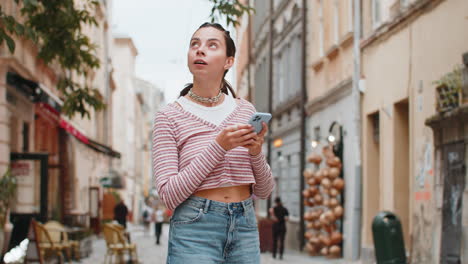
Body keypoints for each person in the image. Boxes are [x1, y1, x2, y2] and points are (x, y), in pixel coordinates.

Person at [152, 22, 275, 263]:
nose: (200, 50)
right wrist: (219, 146)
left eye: (212, 45)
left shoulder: (245, 110)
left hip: (245, 227)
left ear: (229, 61)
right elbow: (168, 195)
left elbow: (264, 190)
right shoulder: (169, 116)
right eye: (194, 44)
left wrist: (256, 152)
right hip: (194, 231)